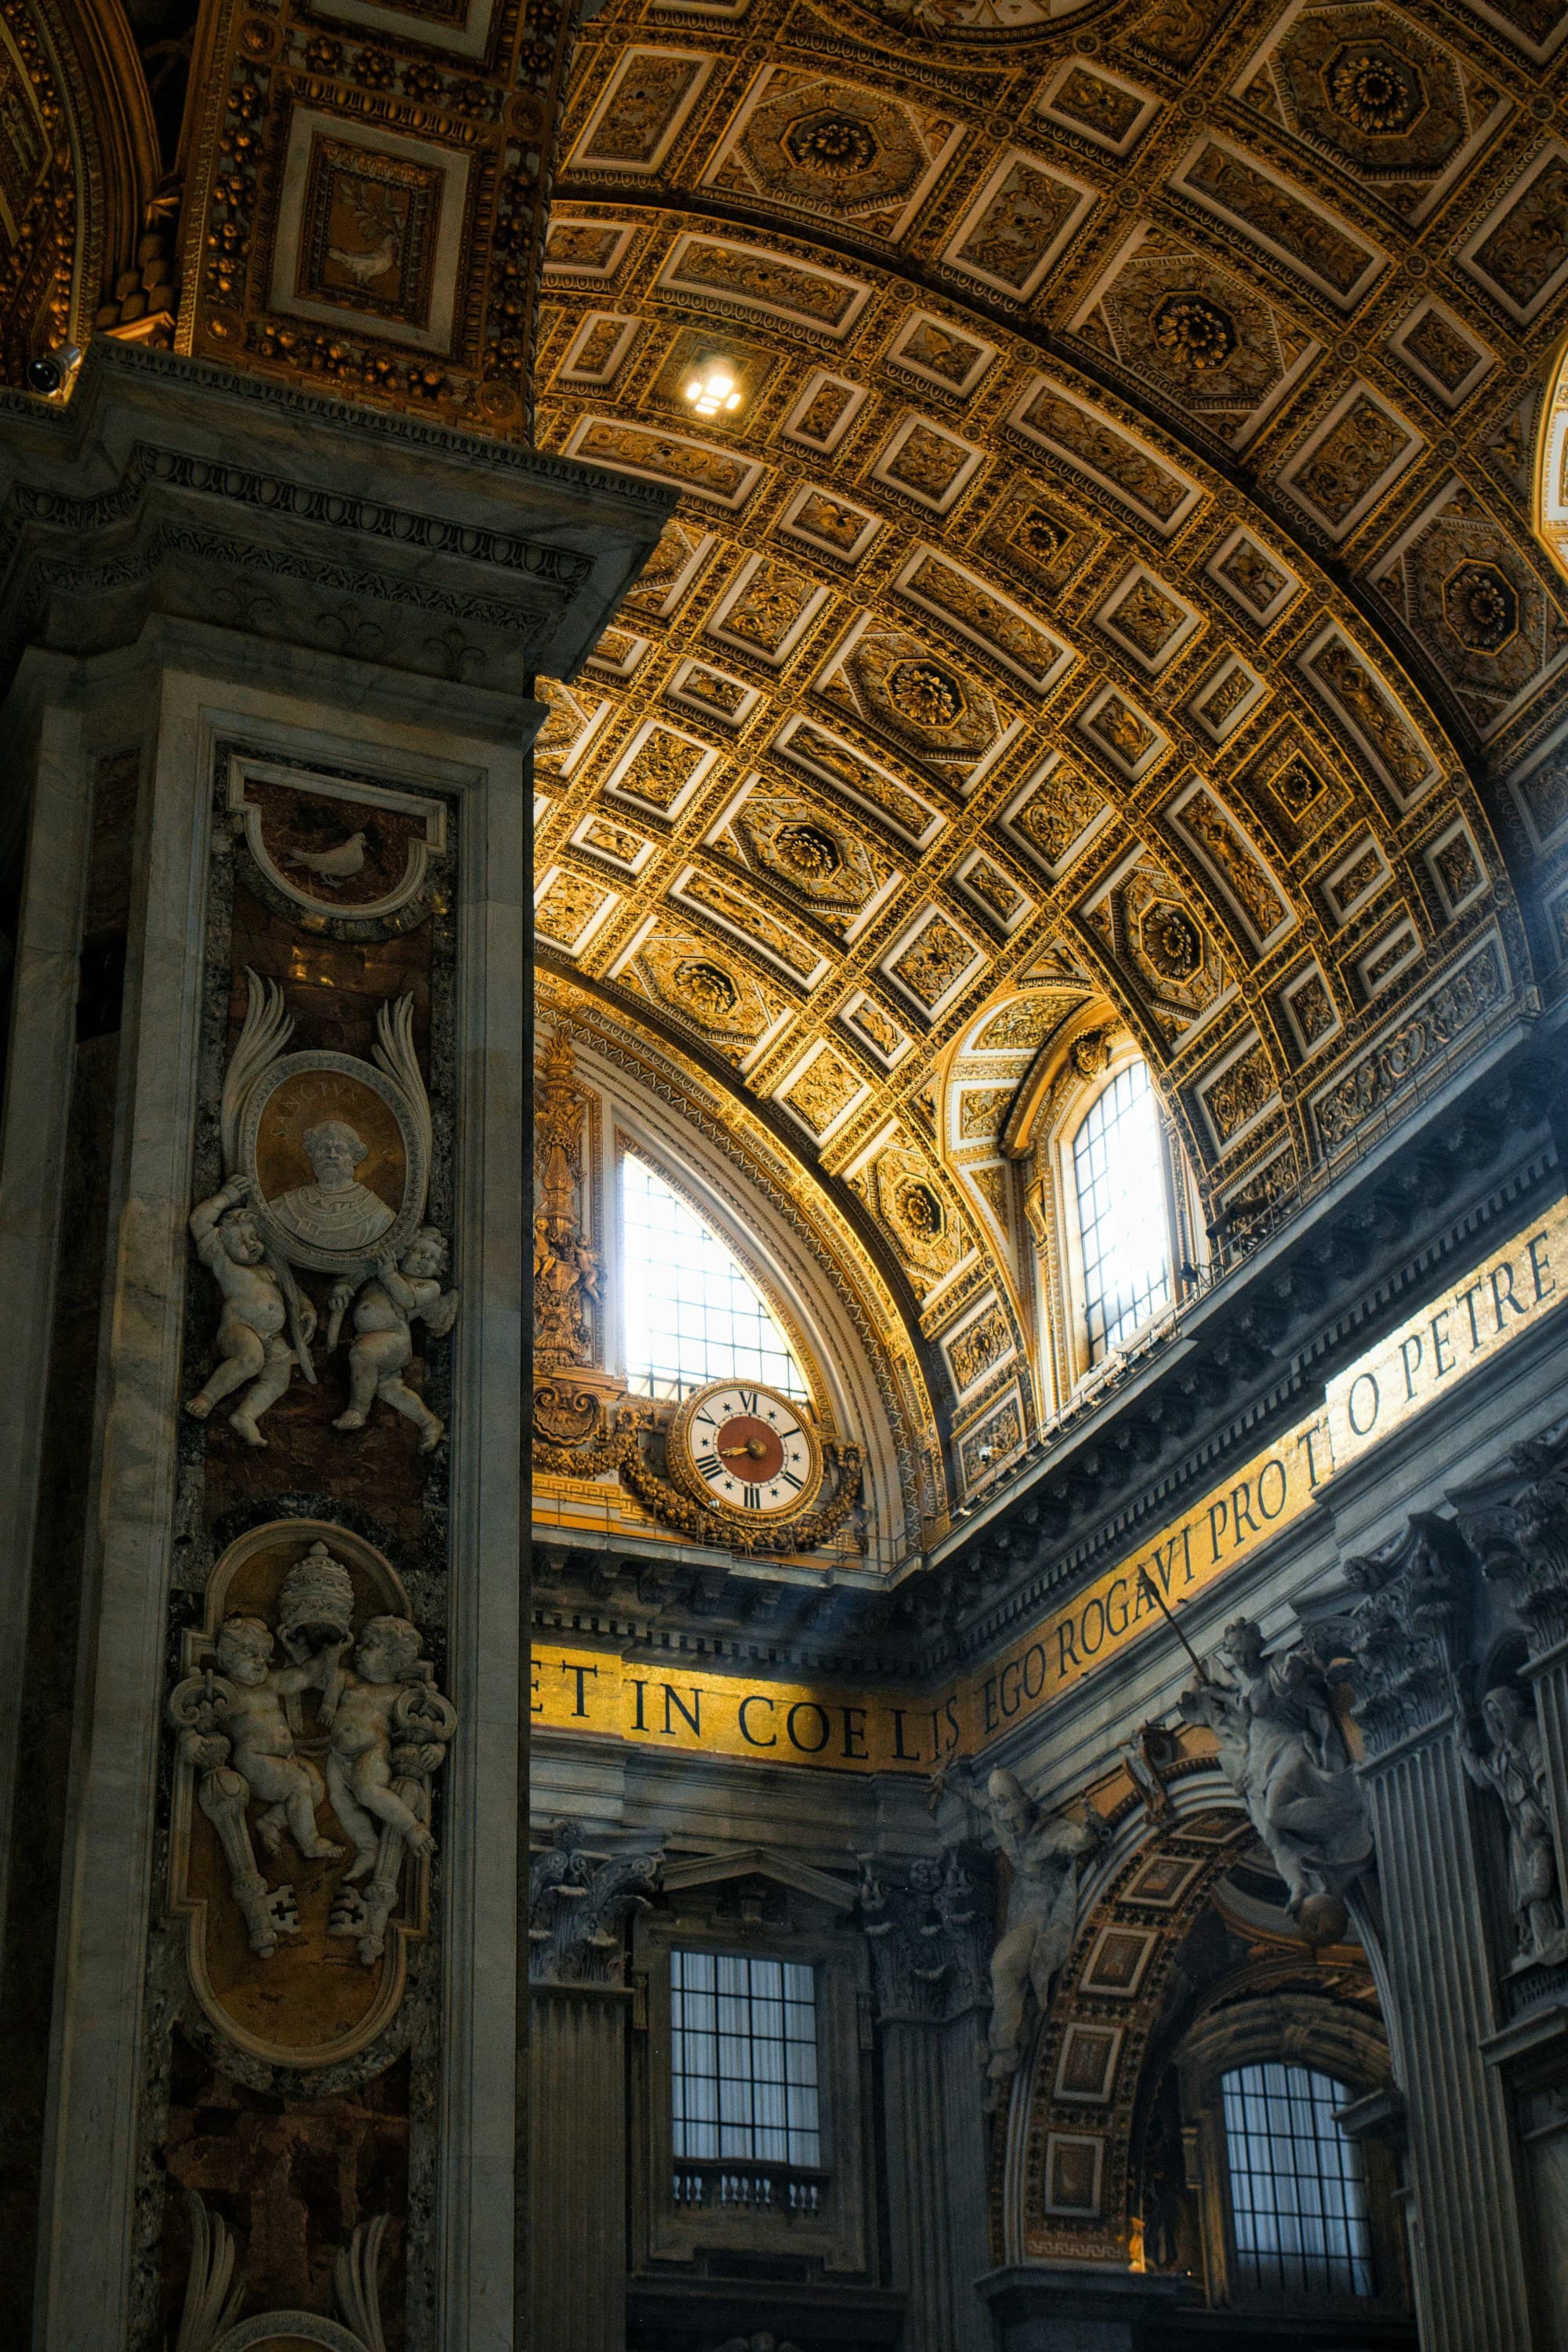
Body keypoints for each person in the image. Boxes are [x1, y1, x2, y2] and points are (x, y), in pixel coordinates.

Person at [185, 1172, 314, 1446]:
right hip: (239, 1328)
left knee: (278, 1380)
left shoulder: (268, 1270)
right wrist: (225, 1198)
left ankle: (246, 1415)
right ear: (223, 1243)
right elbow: (199, 1222)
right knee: (250, 1358)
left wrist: (307, 1310)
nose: (251, 1245)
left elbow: (293, 1294)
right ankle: (206, 1398)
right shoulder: (223, 1263)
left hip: (274, 1338)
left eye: (254, 1238)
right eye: (241, 1242)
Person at [212, 1615, 344, 1863]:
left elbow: (304, 1675)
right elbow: (208, 1717)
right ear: (227, 1658)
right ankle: (311, 1842)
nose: (260, 1662)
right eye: (251, 1654)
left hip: (286, 1760)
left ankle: (271, 1822)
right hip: (254, 1760)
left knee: (316, 1789)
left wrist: (329, 1651)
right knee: (298, 1784)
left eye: (264, 1655)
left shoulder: (270, 1682)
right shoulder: (230, 1691)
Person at [321, 1616, 439, 1881]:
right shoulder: (348, 1680)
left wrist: (436, 1750)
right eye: (361, 1644)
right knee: (339, 1801)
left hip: (372, 1752)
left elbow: (430, 1725)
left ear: (393, 1659)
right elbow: (324, 1676)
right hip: (337, 1756)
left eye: (370, 1645)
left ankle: (412, 1828)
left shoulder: (399, 1693)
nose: (359, 1651)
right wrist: (334, 1654)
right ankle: (368, 1847)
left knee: (366, 1790)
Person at [332, 1229, 458, 1450]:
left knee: (364, 1355)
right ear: (404, 1251)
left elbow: (407, 1299)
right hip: (370, 1338)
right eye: (420, 1252)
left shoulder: (429, 1286)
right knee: (389, 1387)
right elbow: (354, 1277)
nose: (424, 1261)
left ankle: (357, 1411)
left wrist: (389, 1275)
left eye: (432, 1259)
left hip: (395, 1339)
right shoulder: (382, 1271)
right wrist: (341, 1288)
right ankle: (430, 1422)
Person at [270, 1119, 394, 1253]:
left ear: (355, 1159)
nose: (332, 1155)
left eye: (341, 1150)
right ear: (312, 1155)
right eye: (323, 1149)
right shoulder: (286, 1206)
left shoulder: (379, 1215)